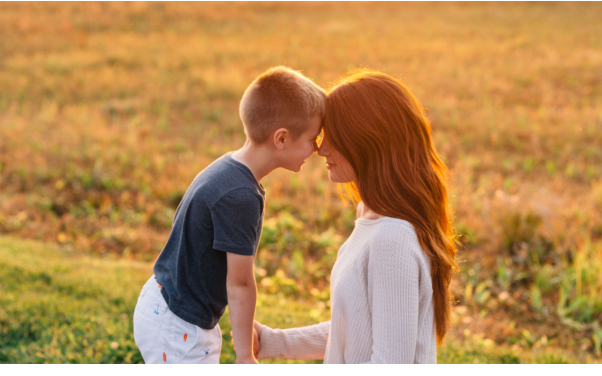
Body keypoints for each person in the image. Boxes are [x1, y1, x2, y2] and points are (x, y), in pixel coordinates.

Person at [254, 70, 459, 364]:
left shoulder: (392, 240)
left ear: (367, 140)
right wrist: (274, 342)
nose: (321, 149)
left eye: (334, 137)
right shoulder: (373, 219)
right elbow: (355, 331)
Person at [133, 66, 326, 364]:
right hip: (179, 325)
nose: (317, 148)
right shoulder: (240, 196)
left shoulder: (229, 169)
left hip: (167, 304)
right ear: (282, 139)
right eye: (313, 138)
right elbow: (240, 283)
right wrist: (246, 356)